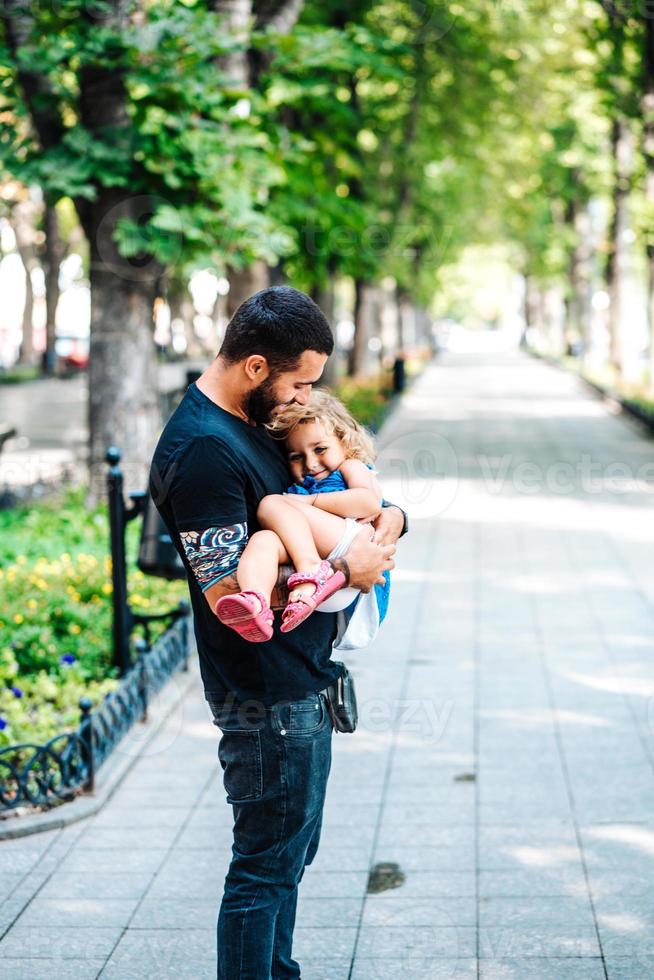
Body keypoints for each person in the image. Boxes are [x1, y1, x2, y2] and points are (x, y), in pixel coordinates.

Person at [149, 286, 407, 980]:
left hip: (301, 689)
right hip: (267, 701)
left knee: (288, 860)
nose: (305, 397)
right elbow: (229, 589)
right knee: (263, 871)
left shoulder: (251, 421)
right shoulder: (203, 449)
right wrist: (346, 565)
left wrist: (390, 520)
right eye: (301, 381)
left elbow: (331, 491)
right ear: (257, 367)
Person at [214, 388, 389, 640]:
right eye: (296, 456)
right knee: (264, 542)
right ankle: (255, 601)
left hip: (351, 547)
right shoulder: (303, 484)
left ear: (344, 440)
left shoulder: (351, 466)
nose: (310, 463)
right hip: (323, 574)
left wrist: (309, 500)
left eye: (320, 449)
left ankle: (310, 567)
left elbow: (369, 503)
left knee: (271, 505)